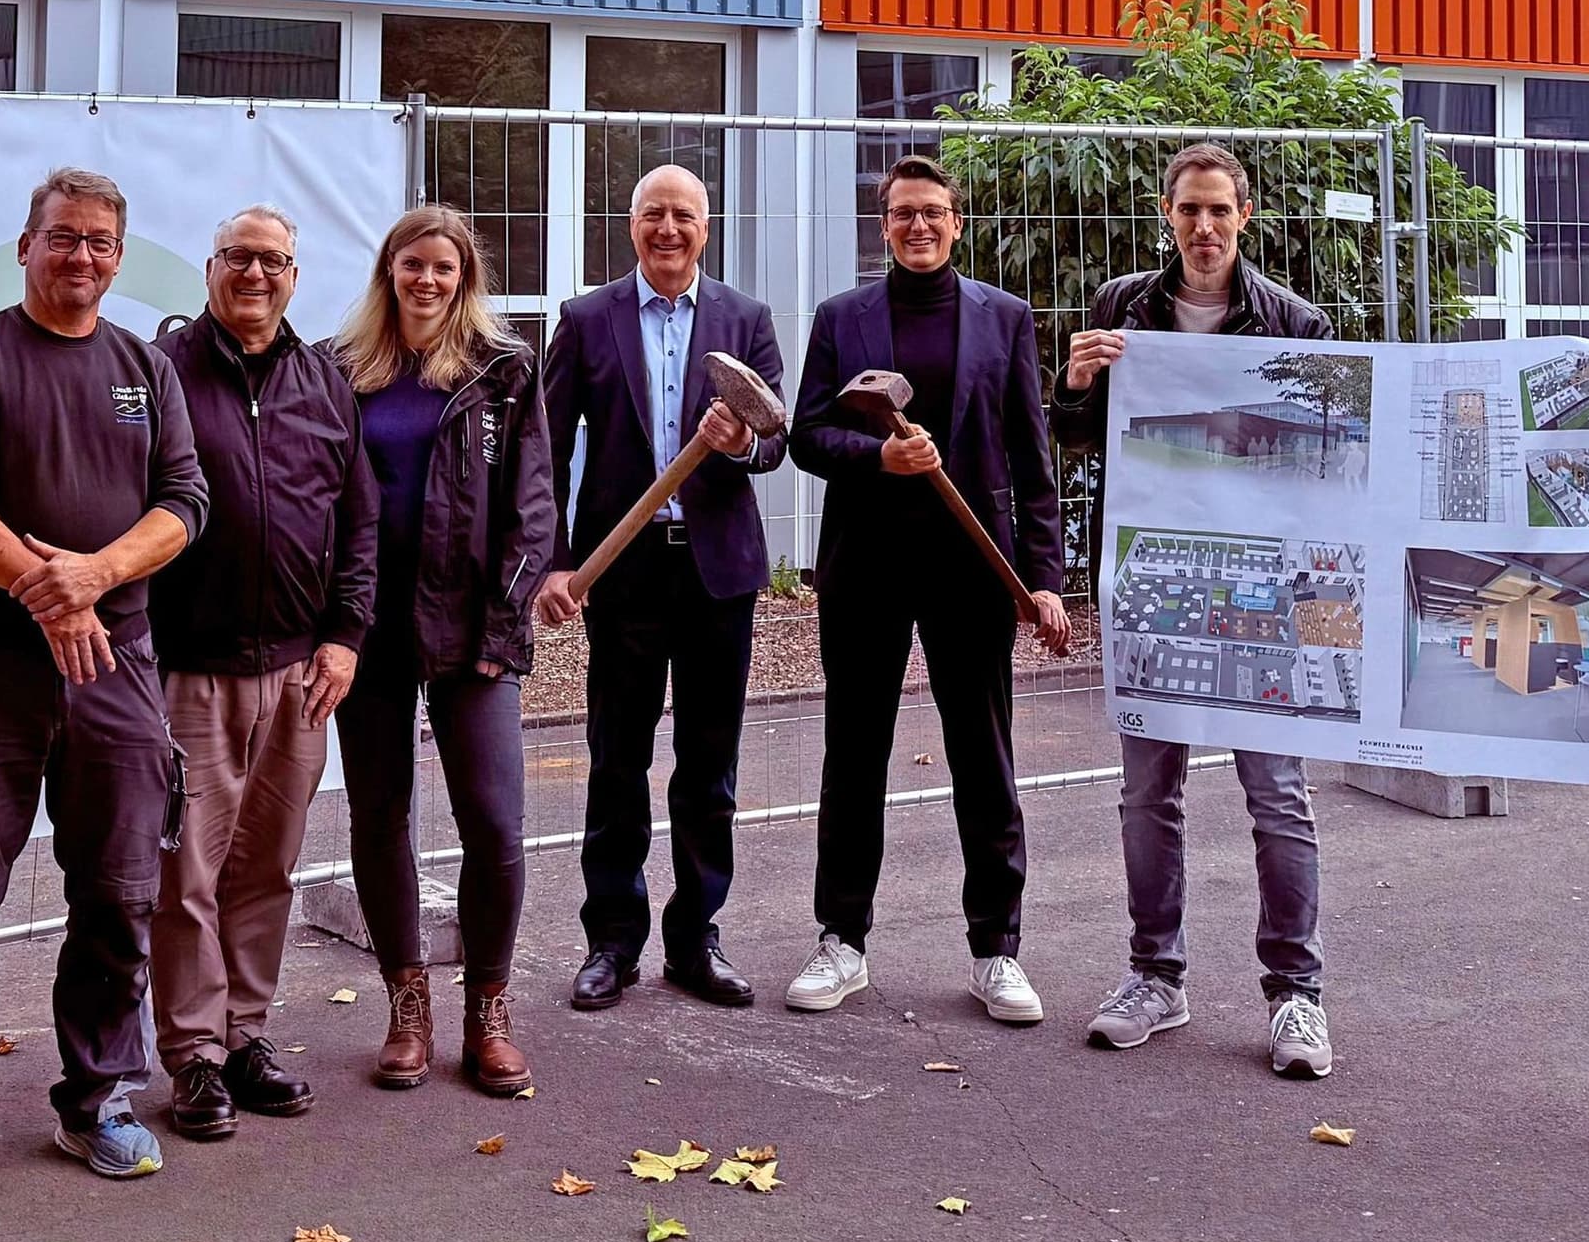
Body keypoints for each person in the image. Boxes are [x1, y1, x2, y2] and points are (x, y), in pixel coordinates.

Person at [0, 169, 209, 1199]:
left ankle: (99, 1098)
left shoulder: (143, 369)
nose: (82, 256)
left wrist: (96, 578)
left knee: (120, 894)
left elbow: (185, 500)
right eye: (62, 237)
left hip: (114, 675)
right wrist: (47, 595)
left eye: (101, 241)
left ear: (121, 255)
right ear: (23, 245)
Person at [1052, 143, 1339, 1078]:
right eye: (1188, 212)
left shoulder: (1296, 321)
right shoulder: (1120, 308)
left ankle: (1296, 996)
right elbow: (1075, 440)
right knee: (1147, 793)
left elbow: (1327, 461)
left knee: (1278, 795)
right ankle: (1155, 976)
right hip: (1155, 581)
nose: (1204, 228)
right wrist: (1077, 384)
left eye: (1220, 210)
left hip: (1262, 585)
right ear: (1165, 216)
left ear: (1245, 215)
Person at [785, 155, 1070, 1026]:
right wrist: (879, 456)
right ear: (884, 226)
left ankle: (996, 950)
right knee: (855, 752)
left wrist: (1045, 576)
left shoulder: (1004, 318)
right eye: (903, 213)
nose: (919, 225)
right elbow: (806, 435)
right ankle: (842, 941)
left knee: (983, 755)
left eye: (934, 213)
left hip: (971, 565)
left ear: (955, 222)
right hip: (866, 564)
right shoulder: (842, 319)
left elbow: (1032, 457)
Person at [532, 165, 786, 1013]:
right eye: (653, 215)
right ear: (631, 223)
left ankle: (695, 938)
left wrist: (741, 441)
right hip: (625, 569)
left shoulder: (745, 319)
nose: (668, 229)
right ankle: (612, 940)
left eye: (683, 215)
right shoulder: (586, 318)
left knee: (709, 767)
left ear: (706, 228)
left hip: (718, 572)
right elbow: (544, 447)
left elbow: (776, 442)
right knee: (617, 758)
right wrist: (558, 561)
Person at [147, 204, 374, 1142]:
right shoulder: (160, 373)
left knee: (265, 868)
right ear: (210, 267)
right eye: (238, 257)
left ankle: (246, 1032)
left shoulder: (325, 381)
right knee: (187, 874)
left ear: (294, 273)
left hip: (300, 673)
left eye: (273, 260)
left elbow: (358, 522)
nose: (255, 274)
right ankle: (194, 1053)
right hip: (190, 670)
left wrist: (347, 633)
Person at [330, 203, 554, 1100]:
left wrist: (504, 627)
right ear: (389, 270)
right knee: (380, 818)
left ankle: (488, 1008)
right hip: (368, 626)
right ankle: (407, 1003)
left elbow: (533, 508)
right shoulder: (339, 369)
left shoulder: (505, 372)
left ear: (466, 279)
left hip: (472, 631)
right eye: (412, 264)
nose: (428, 279)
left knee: (494, 823)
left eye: (445, 268)